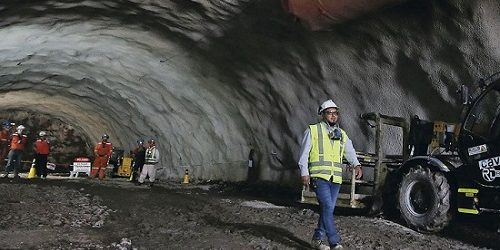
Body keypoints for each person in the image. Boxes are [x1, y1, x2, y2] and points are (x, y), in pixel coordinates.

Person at [298, 99, 363, 250]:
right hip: (319, 177)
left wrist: (356, 164)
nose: (333, 116)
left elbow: (349, 151)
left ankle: (317, 239)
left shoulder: (342, 134)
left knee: (328, 209)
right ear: (322, 114)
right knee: (327, 206)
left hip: (335, 178)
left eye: (335, 113)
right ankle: (334, 241)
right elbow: (304, 154)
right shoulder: (312, 130)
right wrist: (304, 173)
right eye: (329, 113)